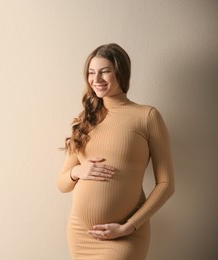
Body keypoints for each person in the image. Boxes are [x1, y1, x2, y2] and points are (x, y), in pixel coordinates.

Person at [57, 43, 174, 260]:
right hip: (80, 233)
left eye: (104, 71)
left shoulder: (146, 116)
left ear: (121, 72)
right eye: (91, 73)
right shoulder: (86, 120)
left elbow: (166, 185)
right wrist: (77, 172)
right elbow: (62, 184)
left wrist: (129, 227)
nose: (96, 79)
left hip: (125, 235)